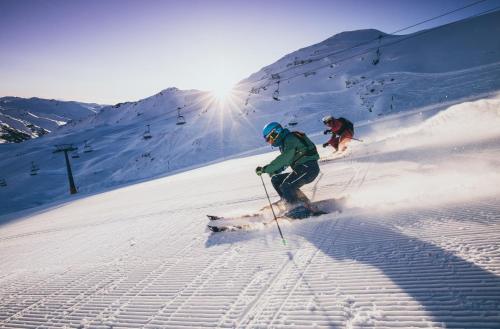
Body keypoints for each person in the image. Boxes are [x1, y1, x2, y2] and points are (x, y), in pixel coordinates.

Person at [255, 122, 320, 209]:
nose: (270, 142)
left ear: (275, 133)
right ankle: (291, 201)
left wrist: (266, 169)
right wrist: (275, 171)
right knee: (276, 179)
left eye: (269, 139)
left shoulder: (290, 139)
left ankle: (297, 207)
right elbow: (287, 162)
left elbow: (285, 158)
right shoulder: (284, 143)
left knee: (287, 185)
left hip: (309, 168)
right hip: (301, 169)